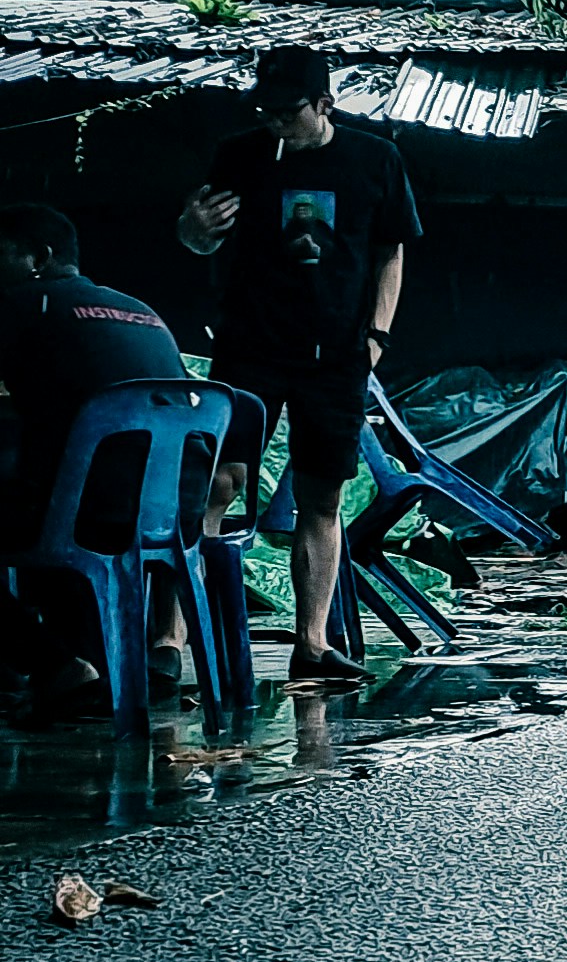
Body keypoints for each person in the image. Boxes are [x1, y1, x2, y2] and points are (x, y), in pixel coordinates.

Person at [178, 39, 421, 688]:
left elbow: (392, 252)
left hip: (336, 353)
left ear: (324, 103)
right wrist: (192, 229)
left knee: (322, 494)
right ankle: (170, 637)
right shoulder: (240, 155)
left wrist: (376, 337)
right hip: (250, 345)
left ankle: (311, 644)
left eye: (290, 112)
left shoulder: (375, 159)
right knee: (217, 482)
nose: (277, 124)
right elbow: (199, 238)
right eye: (268, 112)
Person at [0, 207, 190, 697]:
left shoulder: (22, 303)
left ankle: (52, 661)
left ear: (38, 257)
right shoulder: (142, 312)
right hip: (168, 513)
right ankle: (83, 664)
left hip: (78, 510)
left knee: (36, 500)